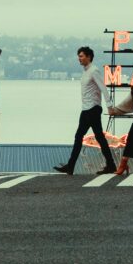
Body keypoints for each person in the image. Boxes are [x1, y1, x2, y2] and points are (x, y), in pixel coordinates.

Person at [53, 46, 118, 175]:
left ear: (89, 57)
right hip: (86, 109)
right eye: (79, 56)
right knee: (94, 137)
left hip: (93, 109)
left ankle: (72, 166)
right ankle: (109, 165)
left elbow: (103, 88)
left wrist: (109, 106)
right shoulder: (85, 72)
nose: (79, 58)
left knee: (87, 137)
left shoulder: (94, 71)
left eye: (81, 56)